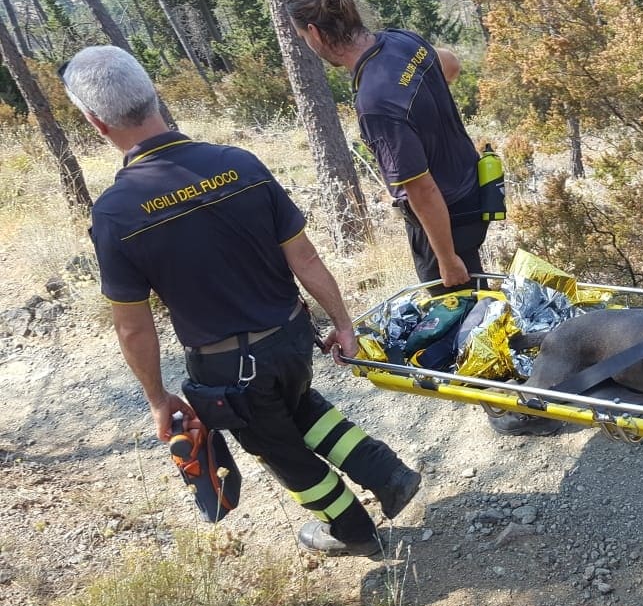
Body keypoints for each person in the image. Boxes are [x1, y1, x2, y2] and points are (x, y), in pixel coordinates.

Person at [65, 45, 421, 557]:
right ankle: (387, 474)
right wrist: (342, 324)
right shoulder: (238, 163)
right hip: (292, 339)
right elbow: (305, 258)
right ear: (153, 95)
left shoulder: (117, 213)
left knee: (280, 449)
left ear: (97, 123)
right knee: (298, 407)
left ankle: (352, 532)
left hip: (228, 368)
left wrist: (158, 399)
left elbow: (133, 329)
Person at [283, 0, 560, 438]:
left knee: (459, 309)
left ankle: (517, 402)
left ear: (313, 34)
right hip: (473, 189)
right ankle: (521, 372)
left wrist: (445, 257)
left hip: (444, 218)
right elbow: (448, 66)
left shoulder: (374, 101)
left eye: (301, 38)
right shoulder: (401, 41)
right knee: (477, 295)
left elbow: (422, 190)